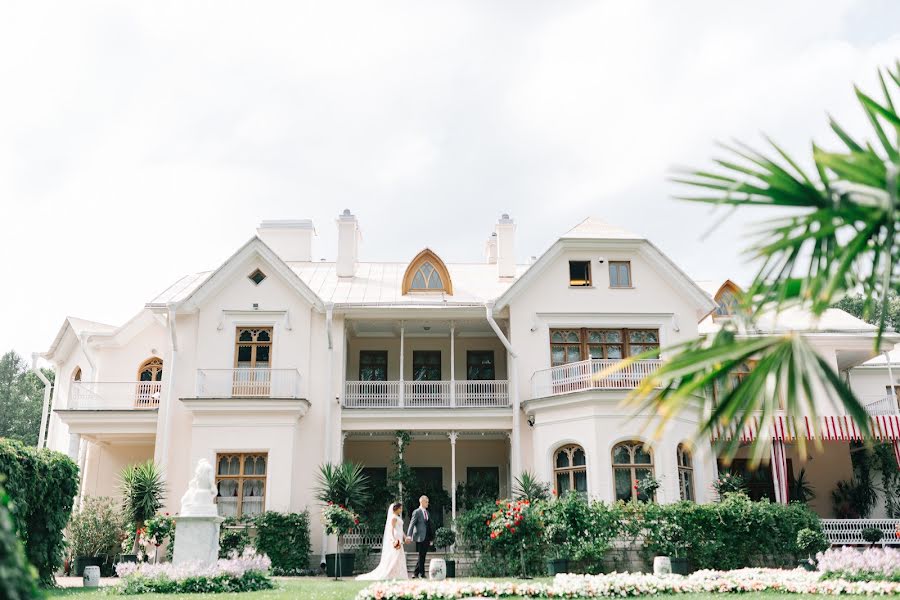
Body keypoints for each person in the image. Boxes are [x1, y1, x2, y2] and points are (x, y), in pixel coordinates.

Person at [355, 502, 408, 581]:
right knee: (393, 557)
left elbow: (400, 529)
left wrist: (405, 537)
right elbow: (392, 529)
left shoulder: (397, 517)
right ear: (396, 509)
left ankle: (396, 574)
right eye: (400, 508)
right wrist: (393, 540)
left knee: (399, 557)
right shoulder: (393, 518)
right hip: (396, 538)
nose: (401, 510)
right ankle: (389, 572)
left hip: (399, 538)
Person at [406, 495, 432, 578]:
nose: (428, 503)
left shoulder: (427, 512)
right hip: (420, 536)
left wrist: (431, 538)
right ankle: (422, 574)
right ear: (422, 502)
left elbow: (429, 525)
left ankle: (415, 573)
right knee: (421, 555)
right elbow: (412, 524)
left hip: (427, 536)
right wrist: (409, 535)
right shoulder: (416, 512)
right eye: (426, 502)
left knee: (422, 555)